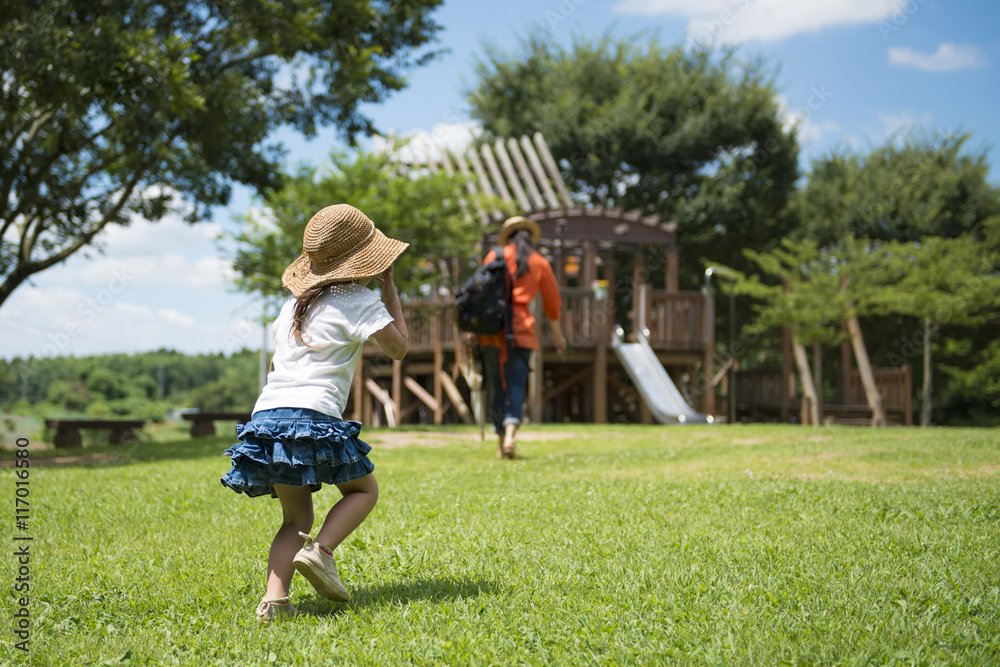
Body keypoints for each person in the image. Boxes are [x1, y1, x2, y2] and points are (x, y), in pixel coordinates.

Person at [220, 203, 409, 622]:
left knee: (295, 518)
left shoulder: (291, 306)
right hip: (313, 415)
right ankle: (321, 553)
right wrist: (390, 291)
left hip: (266, 418)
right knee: (363, 491)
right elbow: (398, 348)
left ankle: (275, 602)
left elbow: (276, 366)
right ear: (365, 260)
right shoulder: (360, 299)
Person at [478, 216, 566, 460]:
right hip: (521, 332)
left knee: (498, 386)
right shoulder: (539, 262)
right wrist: (558, 336)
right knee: (516, 385)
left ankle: (500, 440)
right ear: (531, 237)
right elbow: (553, 304)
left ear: (508, 237)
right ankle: (510, 437)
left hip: (491, 333)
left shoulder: (494, 256)